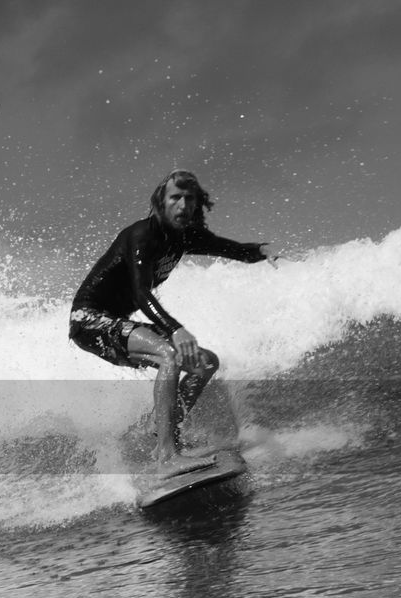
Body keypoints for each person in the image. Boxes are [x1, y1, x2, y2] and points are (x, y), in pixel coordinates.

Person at [69, 170, 276, 478]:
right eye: (175, 197)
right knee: (169, 354)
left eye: (189, 198)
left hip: (115, 322)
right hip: (89, 319)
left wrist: (262, 250)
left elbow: (231, 249)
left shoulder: (183, 238)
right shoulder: (141, 235)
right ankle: (167, 456)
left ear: (196, 203)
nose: (182, 204)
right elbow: (141, 294)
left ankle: (165, 435)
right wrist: (175, 329)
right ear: (160, 203)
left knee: (204, 362)